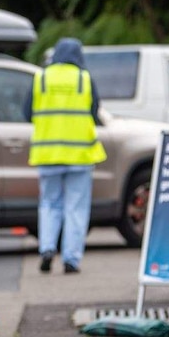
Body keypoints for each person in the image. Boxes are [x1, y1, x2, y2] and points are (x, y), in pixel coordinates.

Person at [25, 37, 107, 274]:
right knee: (76, 208)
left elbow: (26, 111)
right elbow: (94, 111)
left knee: (49, 204)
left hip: (47, 153)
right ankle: (71, 259)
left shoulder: (41, 77)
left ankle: (47, 249)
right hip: (79, 155)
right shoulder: (84, 78)